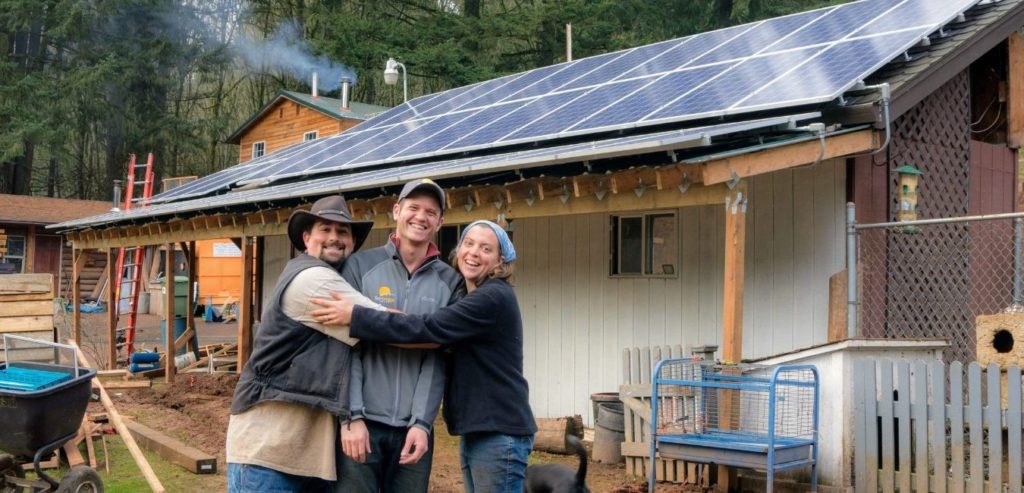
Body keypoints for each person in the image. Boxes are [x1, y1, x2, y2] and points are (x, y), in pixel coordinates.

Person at [313, 220, 536, 493]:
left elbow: (428, 329)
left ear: (501, 260)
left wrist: (356, 316)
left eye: (485, 248)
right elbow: (428, 338)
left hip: (499, 431)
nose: (474, 252)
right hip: (481, 429)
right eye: (468, 243)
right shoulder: (471, 297)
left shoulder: (492, 297)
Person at [225, 194, 379, 492]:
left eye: (343, 231)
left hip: (305, 457)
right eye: (325, 229)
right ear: (307, 238)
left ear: (352, 242)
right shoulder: (312, 279)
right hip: (268, 453)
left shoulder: (340, 281)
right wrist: (444, 329)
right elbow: (387, 324)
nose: (334, 237)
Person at [334, 178, 462, 493]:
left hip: (413, 430)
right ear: (396, 211)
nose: (421, 216)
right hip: (362, 423)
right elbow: (345, 347)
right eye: (413, 207)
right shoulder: (359, 266)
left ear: (440, 222)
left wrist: (421, 423)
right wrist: (351, 417)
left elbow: (437, 357)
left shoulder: (450, 282)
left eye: (431, 212)